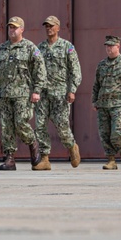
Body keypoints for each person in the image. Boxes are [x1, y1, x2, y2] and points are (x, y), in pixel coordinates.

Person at [0, 16, 46, 171]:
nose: (12, 30)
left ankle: (33, 144)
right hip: (4, 95)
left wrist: (37, 91)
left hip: (23, 94)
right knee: (6, 127)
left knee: (21, 123)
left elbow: (40, 70)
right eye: (10, 27)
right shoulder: (1, 49)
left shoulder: (30, 48)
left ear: (22, 29)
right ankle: (9, 158)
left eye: (15, 27)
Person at [33, 15, 82, 170]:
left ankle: (72, 146)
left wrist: (72, 90)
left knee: (61, 125)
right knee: (40, 125)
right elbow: (34, 70)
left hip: (60, 94)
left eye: (51, 26)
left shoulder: (67, 46)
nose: (49, 28)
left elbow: (76, 71)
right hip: (43, 94)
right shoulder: (39, 48)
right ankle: (45, 158)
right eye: (46, 26)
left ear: (58, 28)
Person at [91, 35, 121, 170]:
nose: (108, 48)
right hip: (103, 104)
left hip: (118, 104)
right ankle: (111, 160)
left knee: (117, 132)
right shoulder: (102, 65)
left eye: (111, 46)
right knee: (104, 133)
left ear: (118, 46)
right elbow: (96, 84)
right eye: (107, 46)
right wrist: (94, 100)